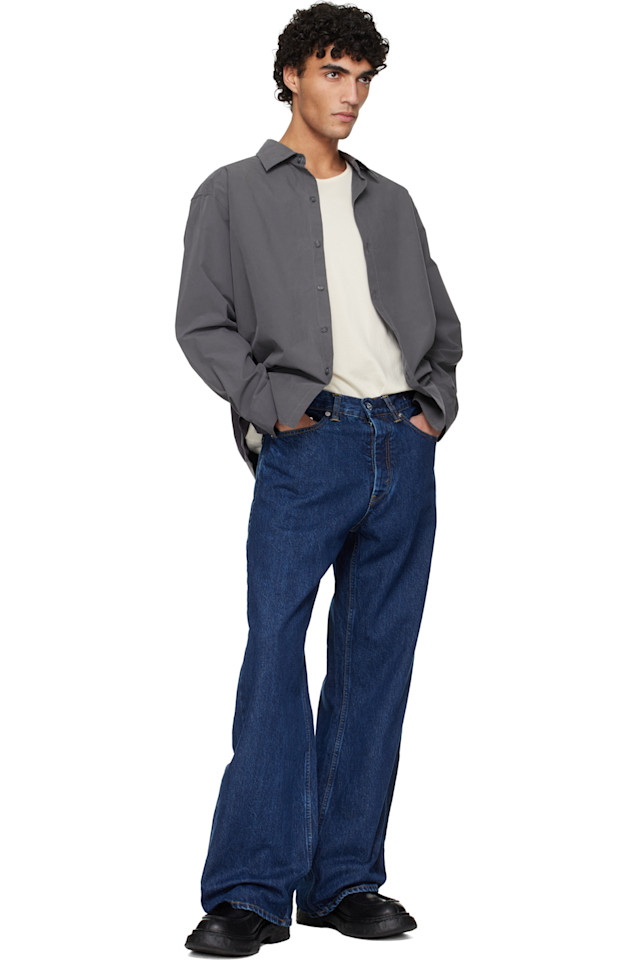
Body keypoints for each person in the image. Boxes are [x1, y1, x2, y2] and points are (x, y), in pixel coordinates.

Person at [175, 2, 463, 954]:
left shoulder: (393, 201)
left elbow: (441, 327)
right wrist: (274, 407)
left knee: (376, 665)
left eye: (363, 78)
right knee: (274, 657)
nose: (352, 95)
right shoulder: (231, 192)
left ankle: (342, 881)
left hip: (400, 448)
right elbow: (202, 322)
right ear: (291, 75)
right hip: (307, 446)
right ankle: (250, 890)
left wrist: (431, 409)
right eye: (334, 72)